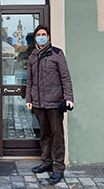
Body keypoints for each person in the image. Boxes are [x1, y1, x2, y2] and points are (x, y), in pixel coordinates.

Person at [26, 25, 74, 185]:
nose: (41, 36)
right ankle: (46, 162)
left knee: (57, 135)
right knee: (45, 134)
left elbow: (65, 77)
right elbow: (30, 80)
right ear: (35, 38)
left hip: (54, 103)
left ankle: (58, 168)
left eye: (43, 34)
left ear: (48, 37)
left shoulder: (57, 53)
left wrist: (69, 98)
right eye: (38, 34)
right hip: (38, 103)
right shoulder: (32, 56)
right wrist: (28, 99)